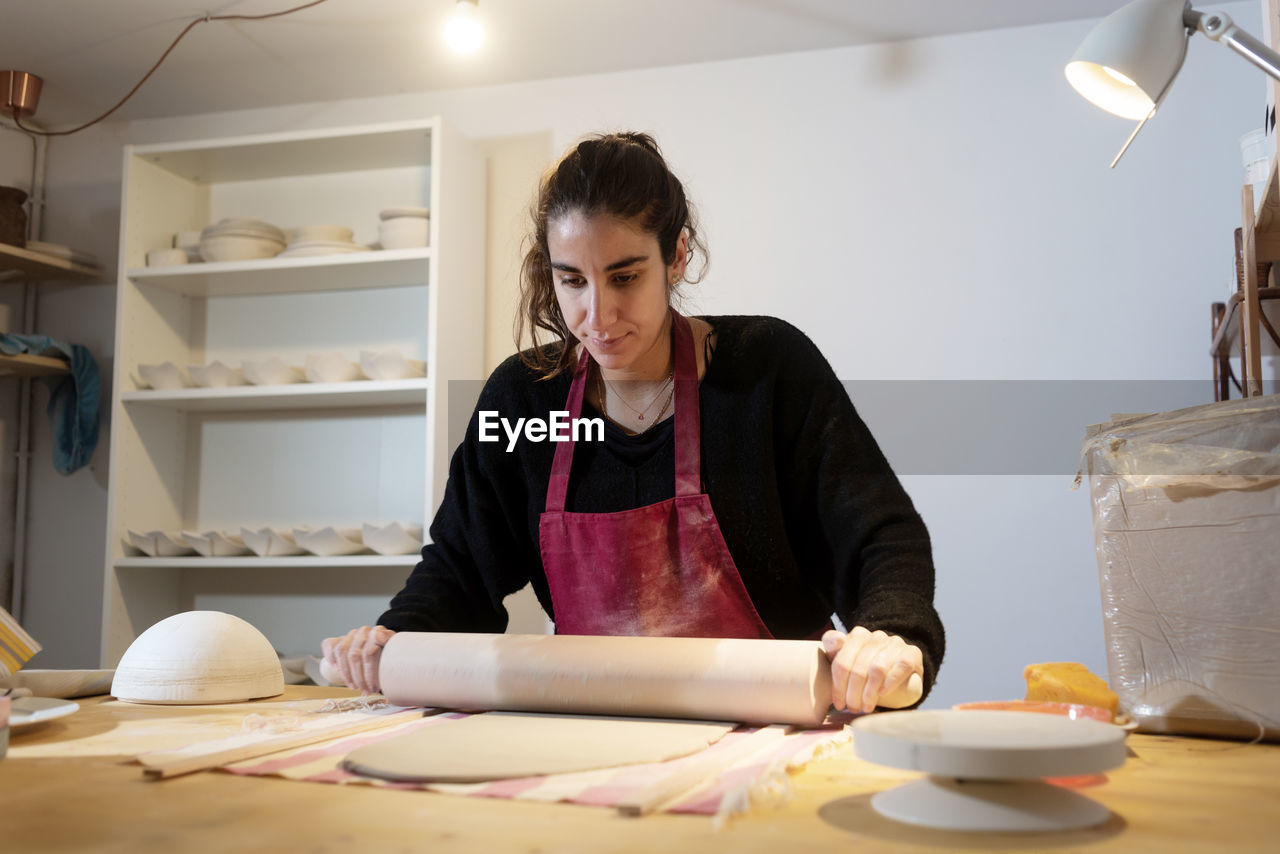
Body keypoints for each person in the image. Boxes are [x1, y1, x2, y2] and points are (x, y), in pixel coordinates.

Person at [323, 131, 944, 714]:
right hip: (592, 727)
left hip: (772, 725)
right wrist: (394, 637)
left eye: (625, 276)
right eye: (572, 281)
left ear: (675, 255)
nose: (598, 315)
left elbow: (880, 534)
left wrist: (891, 635)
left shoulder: (766, 373)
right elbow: (461, 565)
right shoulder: (522, 402)